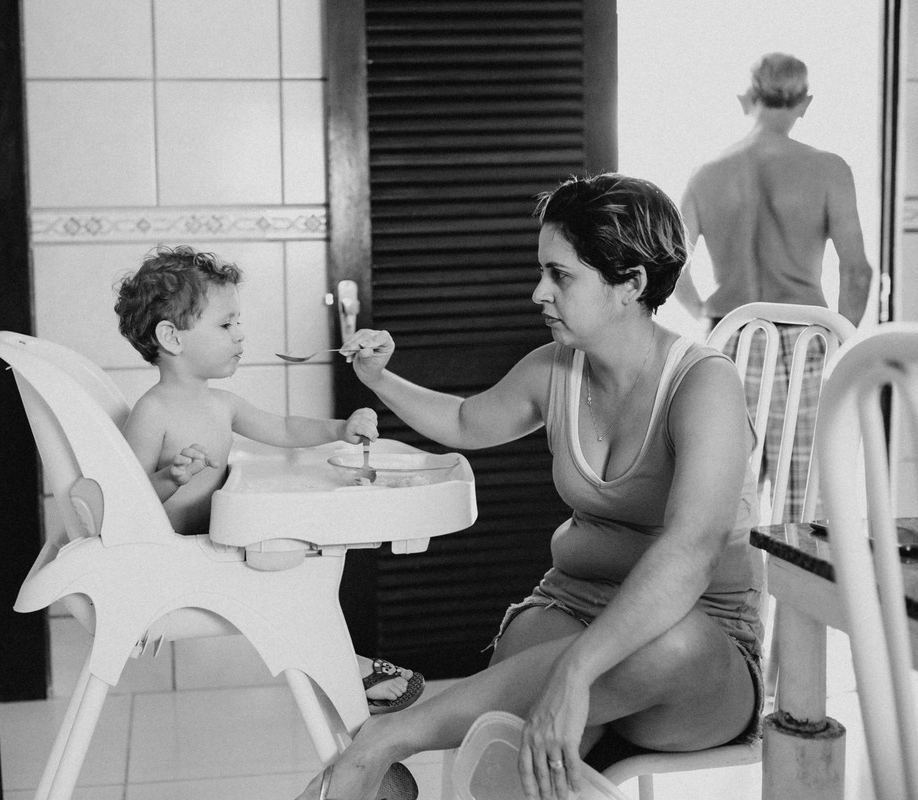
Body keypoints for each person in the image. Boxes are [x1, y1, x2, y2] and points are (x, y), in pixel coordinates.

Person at [295, 174, 763, 800]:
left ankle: (386, 741)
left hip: (696, 641)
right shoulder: (556, 368)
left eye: (561, 275)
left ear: (631, 283)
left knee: (664, 649)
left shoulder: (705, 385)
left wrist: (576, 671)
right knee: (516, 752)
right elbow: (465, 420)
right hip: (568, 604)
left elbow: (690, 552)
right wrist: (379, 379)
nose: (539, 292)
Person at [114, 244, 425, 714]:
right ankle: (346, 670)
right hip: (183, 559)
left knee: (304, 565)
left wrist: (339, 430)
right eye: (225, 324)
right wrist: (169, 479)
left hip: (221, 542)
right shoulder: (152, 411)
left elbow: (282, 429)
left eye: (237, 322)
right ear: (172, 337)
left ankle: (343, 667)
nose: (240, 334)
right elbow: (128, 503)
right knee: (295, 577)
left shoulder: (222, 404)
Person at [674, 52, 873, 522]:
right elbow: (858, 271)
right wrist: (842, 339)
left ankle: (730, 595)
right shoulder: (829, 169)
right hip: (808, 339)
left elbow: (672, 266)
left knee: (723, 499)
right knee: (806, 508)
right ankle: (798, 596)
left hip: (729, 339)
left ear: (747, 98)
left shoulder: (706, 174)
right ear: (805, 103)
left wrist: (705, 310)